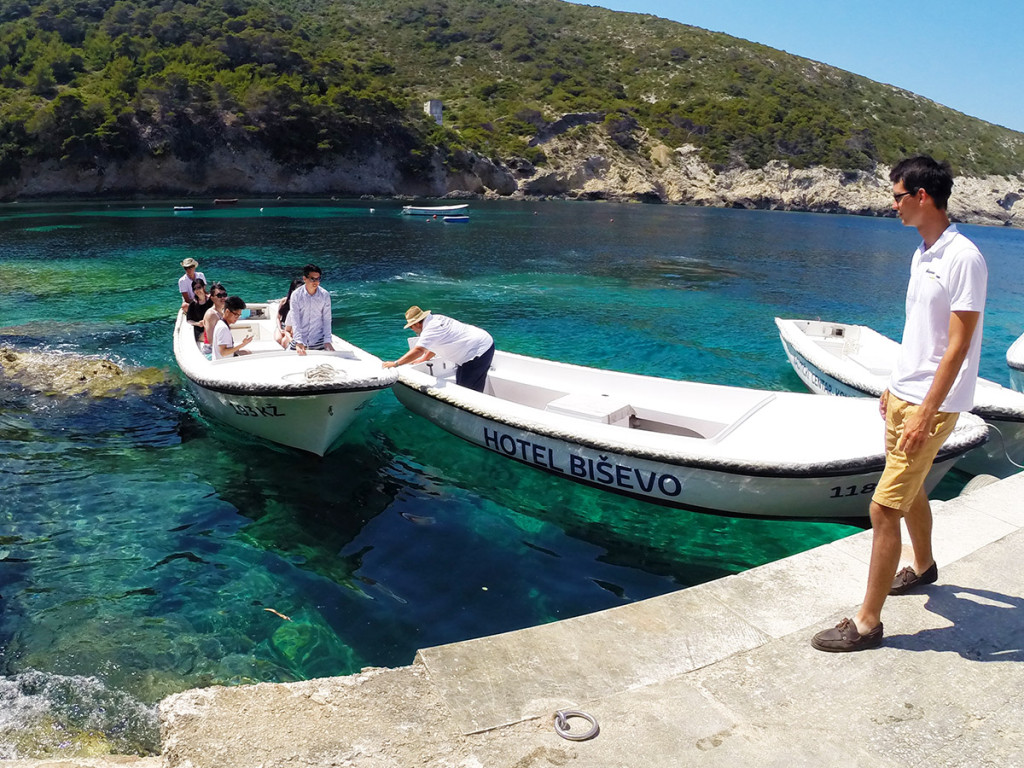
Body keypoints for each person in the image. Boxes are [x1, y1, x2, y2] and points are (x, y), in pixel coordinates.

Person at [811, 156, 987, 653]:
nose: (893, 206)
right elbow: (919, 333)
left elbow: (958, 344)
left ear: (922, 197)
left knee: (883, 508)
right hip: (903, 395)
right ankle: (926, 566)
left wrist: (928, 410)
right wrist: (892, 384)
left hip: (930, 405)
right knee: (907, 492)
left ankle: (868, 624)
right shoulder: (923, 252)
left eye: (897, 196)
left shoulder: (963, 257)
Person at [383, 306, 494, 392]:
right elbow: (435, 344)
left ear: (417, 323)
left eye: (411, 326)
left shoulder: (430, 329)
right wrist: (424, 359)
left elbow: (418, 350)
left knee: (468, 392)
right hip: (476, 347)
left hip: (478, 351)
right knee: (462, 383)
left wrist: (395, 364)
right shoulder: (435, 319)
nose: (411, 329)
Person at [289, 264, 335, 356]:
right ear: (304, 279)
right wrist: (298, 341)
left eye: (318, 279)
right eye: (312, 279)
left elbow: (327, 319)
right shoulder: (296, 295)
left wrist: (327, 340)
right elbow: (295, 319)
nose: (316, 282)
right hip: (300, 339)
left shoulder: (325, 295)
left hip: (318, 339)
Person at [274, 278, 304, 349]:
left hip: (292, 327)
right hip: (283, 325)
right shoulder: (284, 301)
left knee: (284, 341)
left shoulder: (301, 303)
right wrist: (280, 328)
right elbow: (278, 317)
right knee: (278, 339)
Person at [202, 282, 229, 353]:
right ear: (212, 298)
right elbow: (210, 340)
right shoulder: (211, 314)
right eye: (219, 295)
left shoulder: (223, 312)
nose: (223, 298)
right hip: (211, 350)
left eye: (224, 295)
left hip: (221, 347)